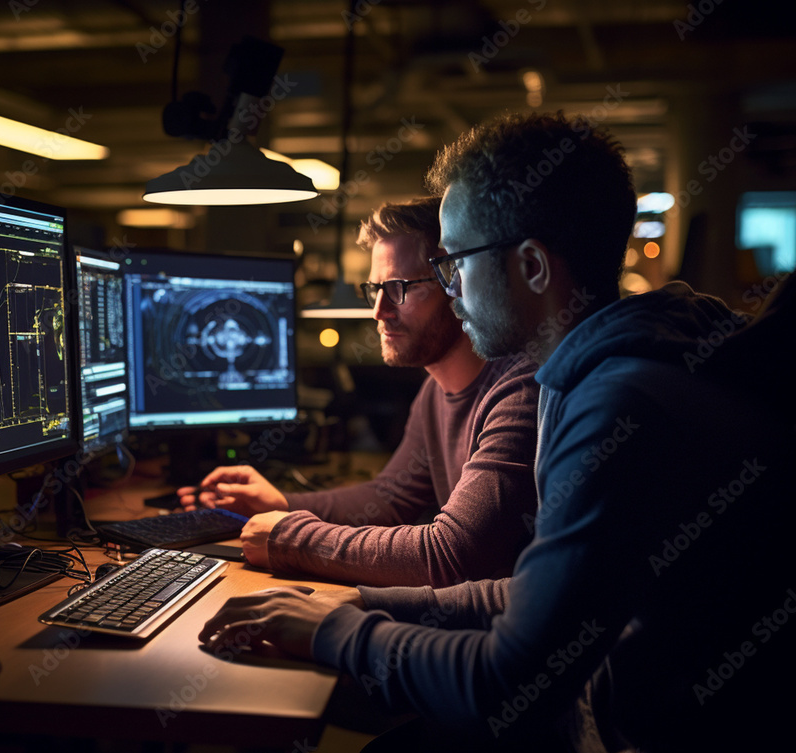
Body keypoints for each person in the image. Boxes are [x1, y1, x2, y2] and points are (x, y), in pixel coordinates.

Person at [198, 111, 796, 752]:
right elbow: (535, 594)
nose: (449, 287)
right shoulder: (600, 376)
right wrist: (362, 607)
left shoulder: (619, 404)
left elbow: (510, 680)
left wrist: (332, 634)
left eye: (454, 261)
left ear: (534, 267)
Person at [179, 197, 540, 587]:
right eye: (375, 289)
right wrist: (281, 503)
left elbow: (453, 554)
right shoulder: (435, 392)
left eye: (399, 287)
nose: (379, 310)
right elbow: (391, 496)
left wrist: (291, 538)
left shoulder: (520, 389)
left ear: (456, 281)